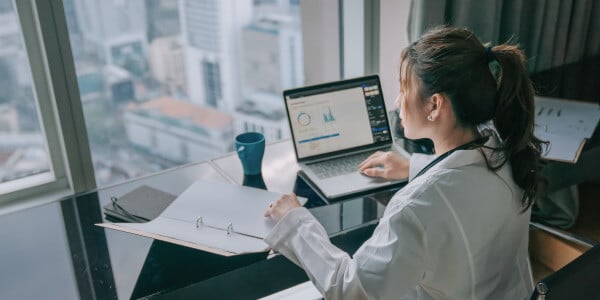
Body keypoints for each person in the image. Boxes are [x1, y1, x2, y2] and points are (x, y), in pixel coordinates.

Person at [264, 26, 545, 300]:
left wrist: (295, 222)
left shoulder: (416, 207)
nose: (398, 101)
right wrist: (413, 166)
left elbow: (350, 290)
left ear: (435, 105)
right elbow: (462, 185)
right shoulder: (506, 153)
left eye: (404, 88)